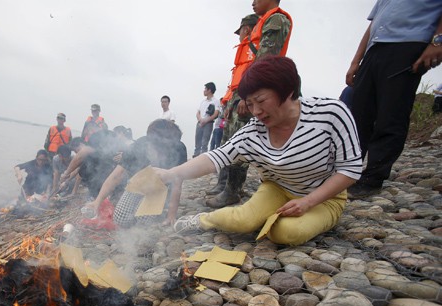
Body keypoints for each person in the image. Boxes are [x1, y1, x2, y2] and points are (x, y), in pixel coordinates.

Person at [156, 56, 362, 246]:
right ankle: (203, 220)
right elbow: (216, 157)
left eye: (261, 101)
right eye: (250, 104)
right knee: (243, 221)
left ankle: (302, 219)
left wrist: (308, 202)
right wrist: (172, 173)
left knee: (286, 232)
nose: (256, 112)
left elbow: (351, 169)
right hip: (277, 188)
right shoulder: (253, 131)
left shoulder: (331, 114)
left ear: (287, 90)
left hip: (324, 197)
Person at [346, 0, 442, 198]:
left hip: (408, 45)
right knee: (358, 113)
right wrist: (356, 60)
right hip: (375, 49)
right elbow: (373, 24)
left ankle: (373, 177)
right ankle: (347, 171)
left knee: (391, 113)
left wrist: (437, 41)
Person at [208, 3, 293, 209]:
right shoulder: (263, 24)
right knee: (229, 142)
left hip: (249, 93)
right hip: (240, 94)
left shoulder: (276, 19)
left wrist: (247, 97)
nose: (252, 2)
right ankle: (225, 185)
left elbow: (264, 62)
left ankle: (232, 191)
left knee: (239, 143)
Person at [87, 119, 188, 228]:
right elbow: (116, 175)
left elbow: (177, 183)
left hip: (161, 188)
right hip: (138, 185)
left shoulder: (179, 149)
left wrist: (171, 215)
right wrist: (98, 201)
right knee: (121, 220)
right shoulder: (138, 146)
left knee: (142, 222)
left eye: (172, 144)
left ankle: (160, 210)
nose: (169, 148)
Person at [193, 82, 220, 157]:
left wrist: (205, 120)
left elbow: (216, 113)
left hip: (208, 124)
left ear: (209, 90)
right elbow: (198, 112)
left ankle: (202, 158)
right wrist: (200, 120)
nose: (204, 90)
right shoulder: (203, 101)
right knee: (197, 142)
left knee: (204, 143)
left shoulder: (215, 101)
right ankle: (195, 156)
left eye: (205, 89)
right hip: (199, 123)